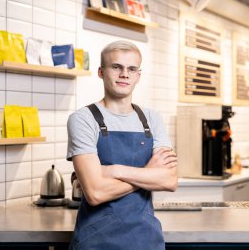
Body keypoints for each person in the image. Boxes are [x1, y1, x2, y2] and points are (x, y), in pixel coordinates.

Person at [67, 40, 178, 250]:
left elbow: (169, 180)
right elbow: (95, 193)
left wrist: (113, 170)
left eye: (132, 68)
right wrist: (148, 173)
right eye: (116, 67)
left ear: (138, 76)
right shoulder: (83, 119)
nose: (124, 74)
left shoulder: (151, 119)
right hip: (97, 243)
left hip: (147, 240)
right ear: (101, 72)